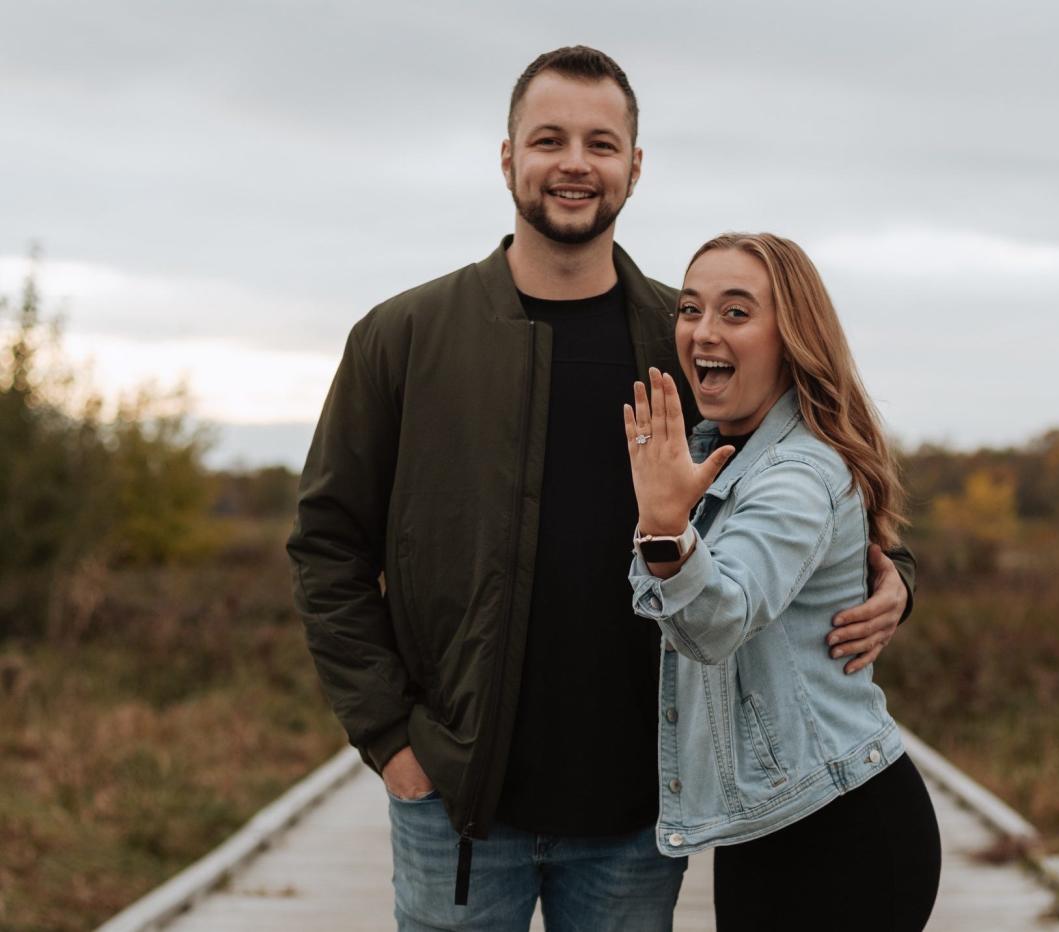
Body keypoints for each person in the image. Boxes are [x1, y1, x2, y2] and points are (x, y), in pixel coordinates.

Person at [287, 47, 917, 931]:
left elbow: (809, 466)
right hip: (457, 802)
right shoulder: (404, 337)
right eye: (549, 139)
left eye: (601, 142)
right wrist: (390, 740)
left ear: (635, 166)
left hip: (634, 811)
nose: (575, 163)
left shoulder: (686, 335)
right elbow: (327, 546)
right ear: (508, 157)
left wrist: (899, 577)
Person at [625, 233, 941, 930]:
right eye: (690, 309)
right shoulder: (716, 447)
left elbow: (719, 619)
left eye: (736, 313)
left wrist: (666, 530)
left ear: (791, 338)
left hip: (841, 834)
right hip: (772, 826)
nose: (704, 331)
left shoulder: (799, 474)